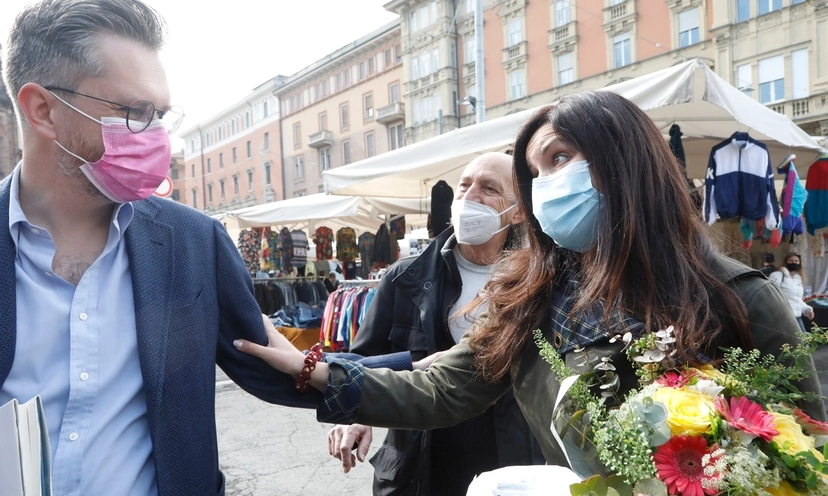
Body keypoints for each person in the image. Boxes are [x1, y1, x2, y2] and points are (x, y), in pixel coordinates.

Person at [235, 90, 826, 476]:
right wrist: (318, 370)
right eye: (535, 173)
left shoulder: (738, 299)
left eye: (561, 158)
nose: (545, 185)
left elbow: (803, 461)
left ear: (624, 161)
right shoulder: (534, 298)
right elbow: (446, 385)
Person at [0, 1, 322, 496]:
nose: (156, 137)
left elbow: (276, 368)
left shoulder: (194, 242)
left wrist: (438, 367)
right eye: (134, 113)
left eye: (159, 115)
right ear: (43, 110)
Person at [328, 153, 544, 496]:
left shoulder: (535, 282)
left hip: (508, 458)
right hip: (421, 461)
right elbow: (362, 358)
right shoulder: (405, 277)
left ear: (518, 211)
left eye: (489, 188)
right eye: (464, 185)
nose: (469, 196)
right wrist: (356, 415)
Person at [770, 251, 814, 332]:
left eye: (796, 261)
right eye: (791, 260)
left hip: (797, 317)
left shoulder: (798, 279)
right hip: (784, 317)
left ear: (800, 263)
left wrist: (807, 309)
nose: (794, 263)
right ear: (785, 262)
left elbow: (798, 300)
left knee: (804, 341)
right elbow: (771, 295)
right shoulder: (777, 275)